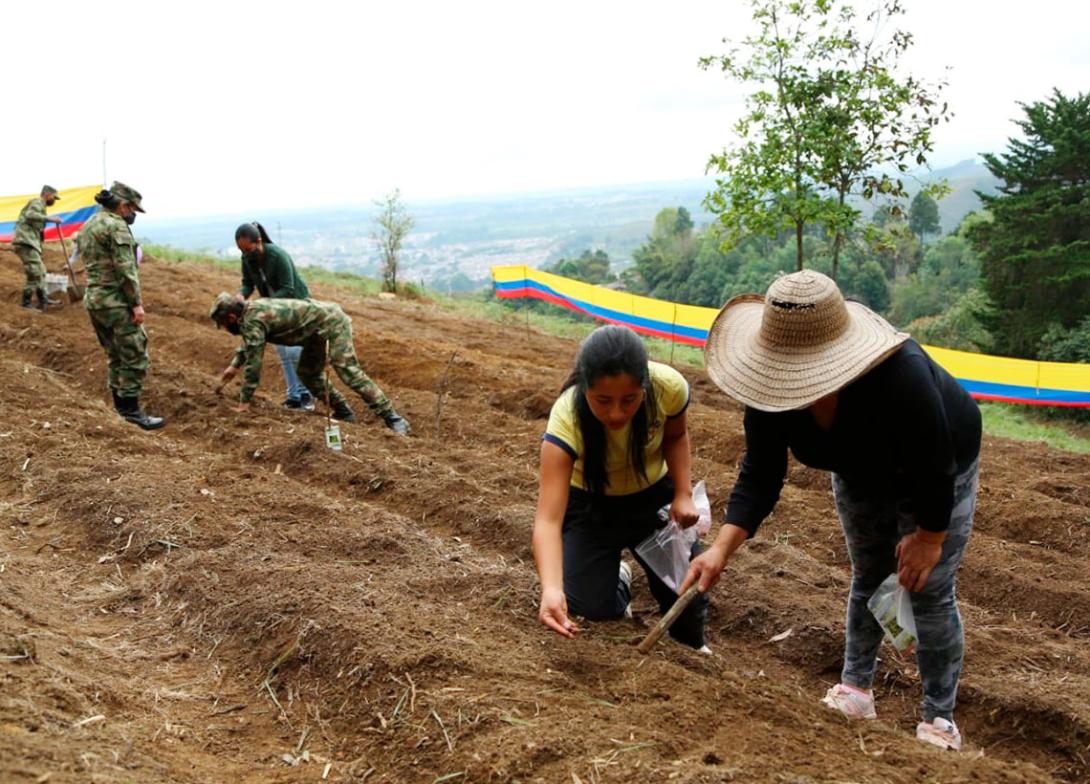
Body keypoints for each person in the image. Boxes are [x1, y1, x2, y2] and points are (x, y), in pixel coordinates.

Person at [682, 270, 981, 751]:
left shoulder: (901, 375)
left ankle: (939, 718)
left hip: (938, 465)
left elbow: (935, 463)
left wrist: (928, 538)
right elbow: (761, 474)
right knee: (870, 574)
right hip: (860, 469)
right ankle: (856, 689)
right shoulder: (770, 390)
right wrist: (719, 550)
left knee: (929, 586)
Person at [532, 324, 709, 650]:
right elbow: (548, 520)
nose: (616, 413)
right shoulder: (566, 417)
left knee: (688, 595)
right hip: (590, 508)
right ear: (585, 388)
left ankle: (691, 646)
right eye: (602, 400)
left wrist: (683, 494)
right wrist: (551, 589)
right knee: (586, 607)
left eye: (629, 400)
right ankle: (619, 582)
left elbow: (675, 436)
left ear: (644, 386)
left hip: (652, 499)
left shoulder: (668, 388)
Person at [208, 292, 410, 435]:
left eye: (224, 325)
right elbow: (250, 343)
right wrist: (234, 366)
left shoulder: (253, 319)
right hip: (313, 332)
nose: (226, 329)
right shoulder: (251, 313)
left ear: (232, 317)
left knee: (348, 371)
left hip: (332, 323)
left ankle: (393, 418)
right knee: (307, 372)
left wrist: (244, 402)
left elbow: (254, 362)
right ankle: (343, 411)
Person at [77, 182, 164, 430]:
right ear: (124, 205)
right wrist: (136, 304)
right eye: (133, 209)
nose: (133, 214)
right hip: (115, 302)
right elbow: (126, 270)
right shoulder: (117, 227)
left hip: (94, 300)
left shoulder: (89, 225)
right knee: (134, 355)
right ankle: (131, 412)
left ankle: (120, 408)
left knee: (114, 355)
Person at [234, 222, 315, 412]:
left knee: (295, 352)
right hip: (272, 309)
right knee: (283, 354)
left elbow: (289, 288)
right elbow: (247, 283)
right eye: (241, 250)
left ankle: (306, 396)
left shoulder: (277, 255)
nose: (245, 253)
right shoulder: (246, 259)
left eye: (247, 249)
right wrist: (241, 295)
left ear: (259, 241)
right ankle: (293, 396)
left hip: (295, 306)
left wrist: (262, 304)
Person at [12, 185, 64, 310]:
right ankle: (26, 303)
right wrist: (50, 219)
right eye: (53, 197)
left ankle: (43, 299)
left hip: (31, 243)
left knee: (41, 270)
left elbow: (37, 230)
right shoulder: (37, 202)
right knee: (34, 272)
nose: (54, 200)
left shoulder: (42, 207)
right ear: (46, 194)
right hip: (25, 242)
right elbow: (30, 214)